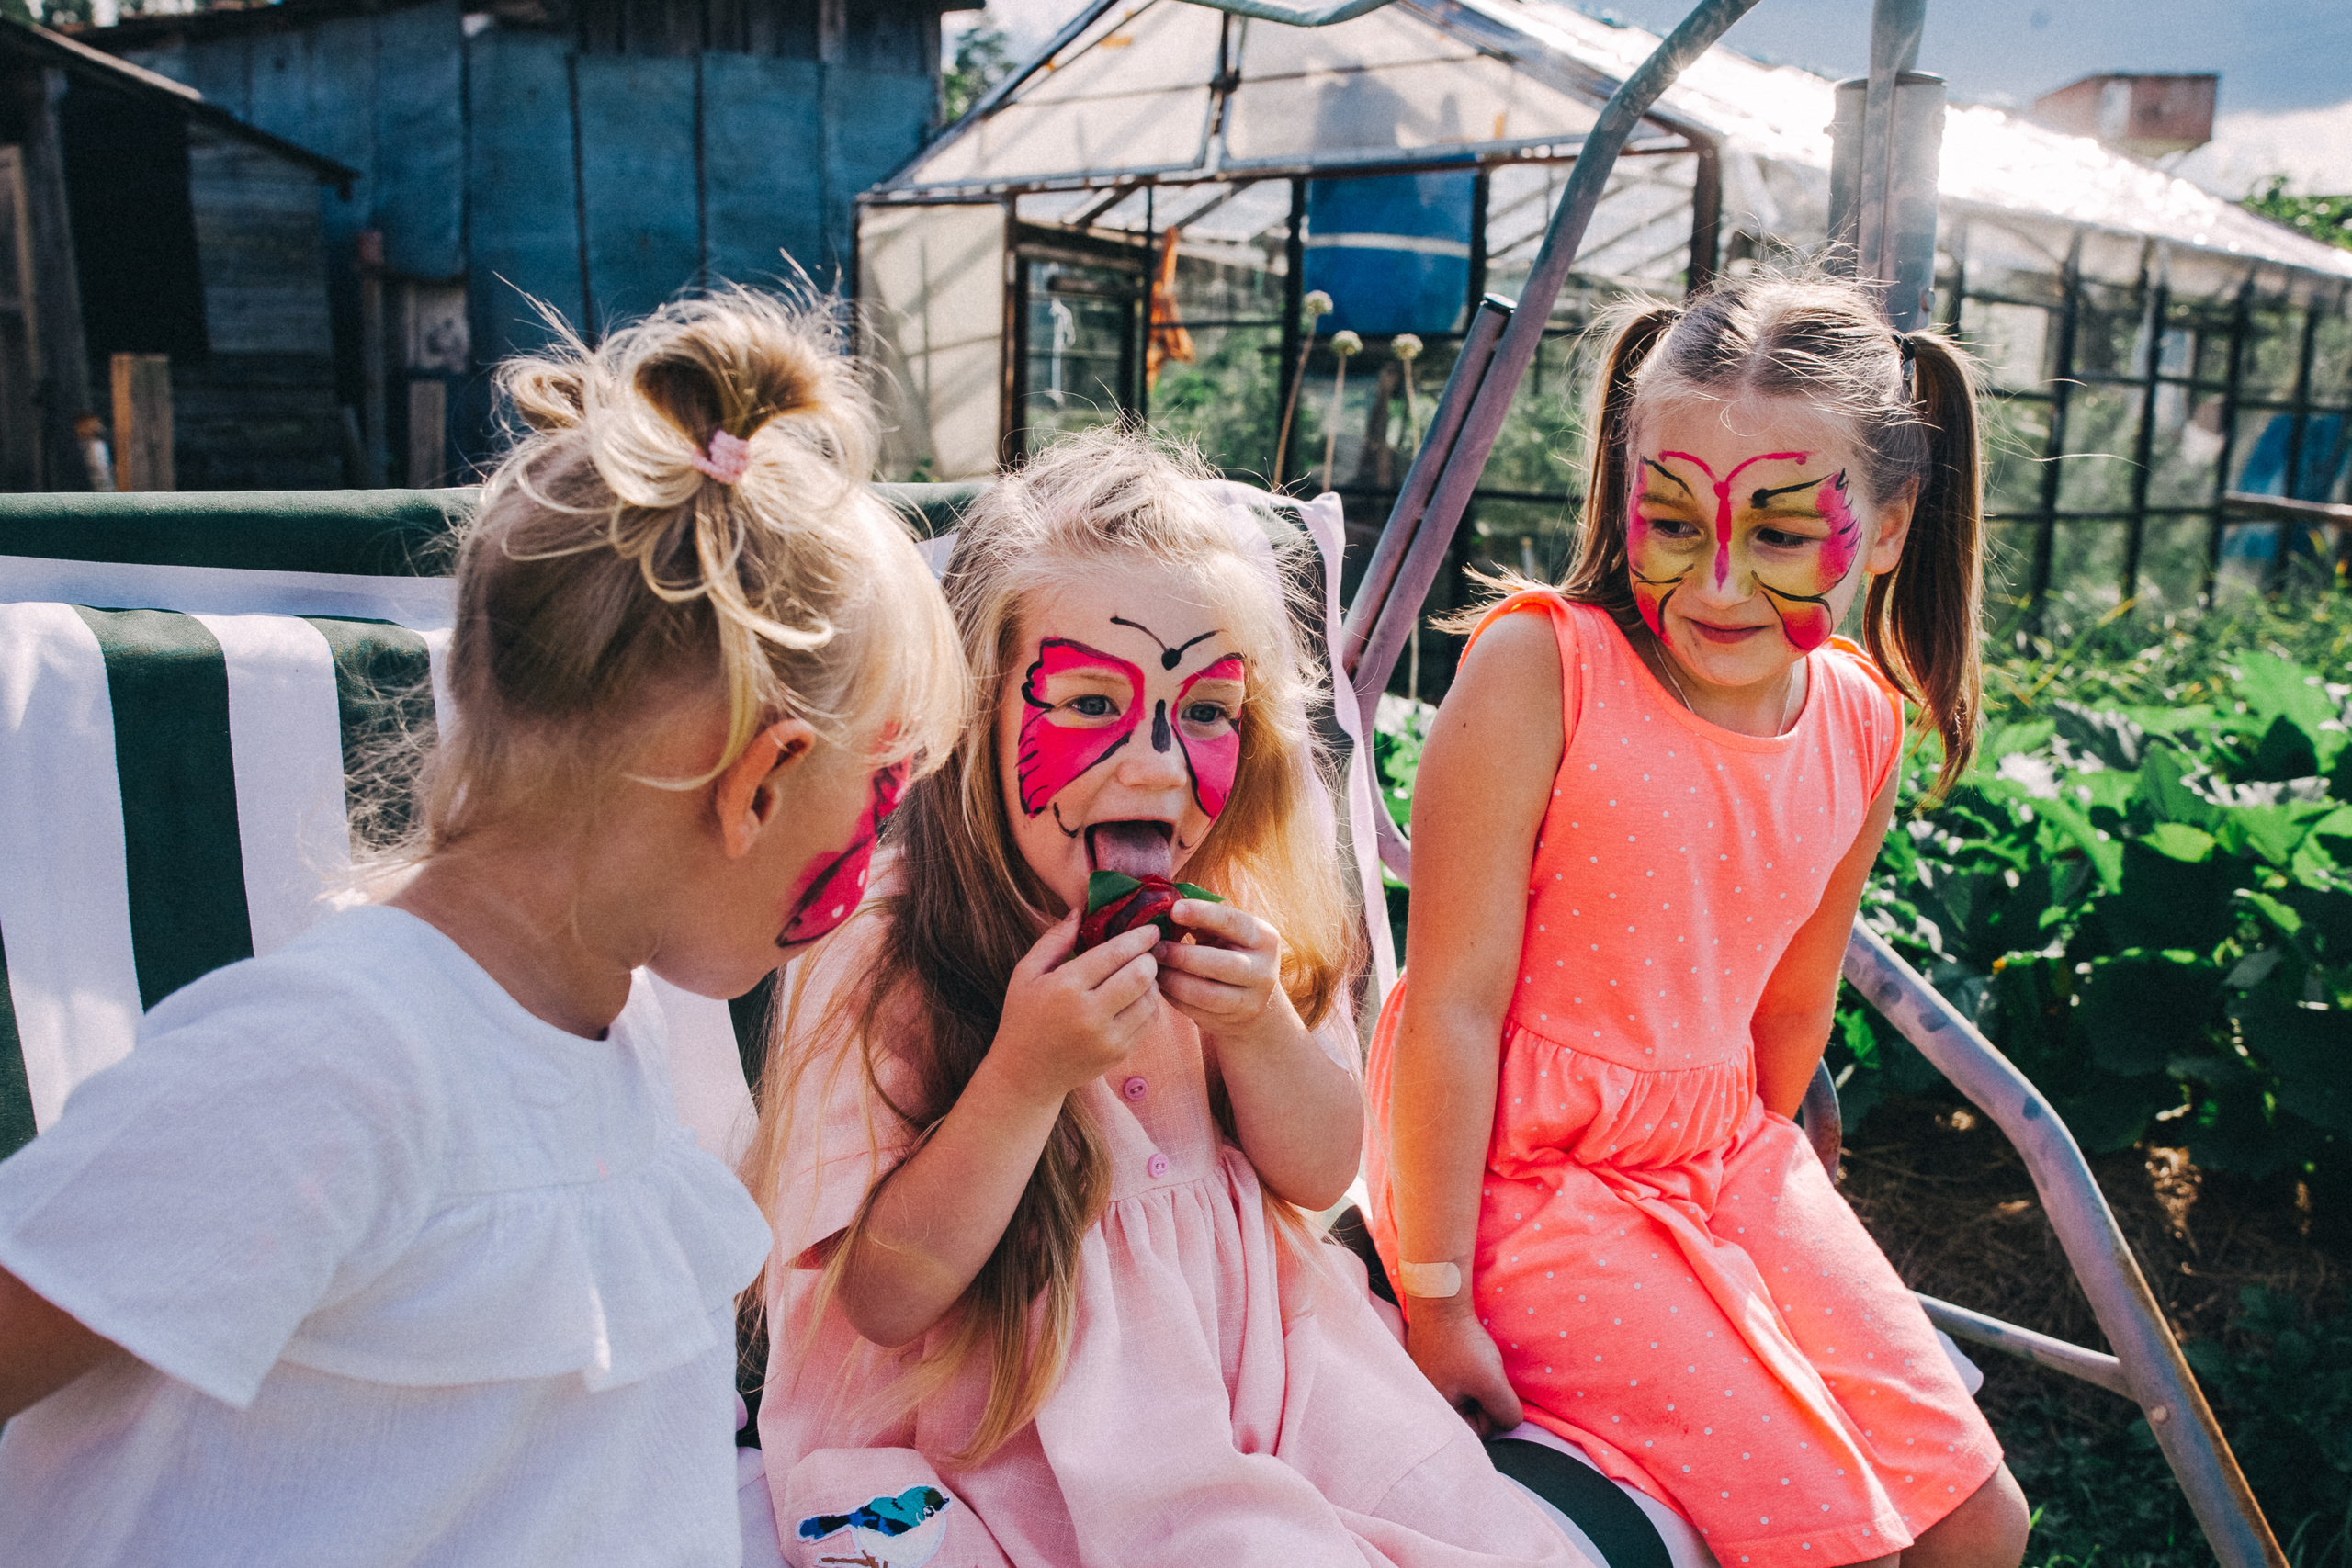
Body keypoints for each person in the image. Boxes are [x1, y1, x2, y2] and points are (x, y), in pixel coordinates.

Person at [0, 291, 964, 1566]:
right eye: (881, 794)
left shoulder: (601, 1029)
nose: (884, 846)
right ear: (761, 781)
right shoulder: (330, 1061)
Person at [741, 430, 1588, 1568]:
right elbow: (882, 1302)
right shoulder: (881, 938)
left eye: (1204, 713)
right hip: (978, 1422)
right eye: (1090, 701)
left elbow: (1323, 1173)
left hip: (1261, 1373)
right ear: (970, 710)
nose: (1155, 765)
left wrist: (1260, 1030)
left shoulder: (1237, 903)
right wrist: (1023, 1077)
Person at [1364, 276, 2032, 1568]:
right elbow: (1448, 1001)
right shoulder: (1538, 671)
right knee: (1845, 1547)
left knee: (1979, 1524)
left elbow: (1792, 1005)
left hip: (1723, 1153)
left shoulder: (1862, 718)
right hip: (1518, 1181)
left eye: (1782, 535)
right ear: (1626, 493)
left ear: (1889, 524)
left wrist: (1769, 1233)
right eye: (1671, 518)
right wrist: (1436, 1297)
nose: (1716, 580)